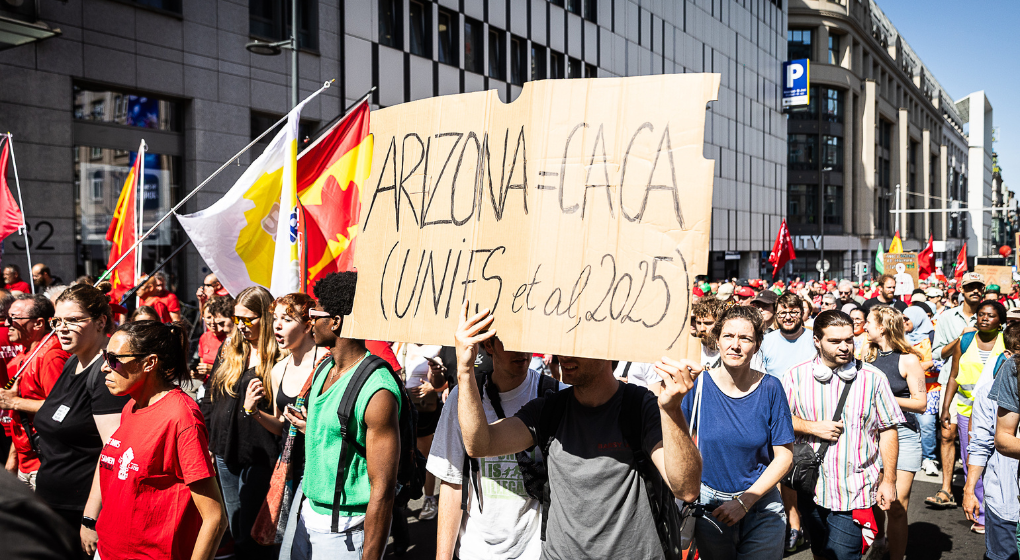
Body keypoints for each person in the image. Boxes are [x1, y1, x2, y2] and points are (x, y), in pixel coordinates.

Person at [455, 301, 702, 559]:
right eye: (562, 342)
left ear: (609, 348)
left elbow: (686, 489)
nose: (565, 354)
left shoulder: (640, 407)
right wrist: (464, 370)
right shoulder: (549, 409)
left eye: (577, 343)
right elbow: (480, 445)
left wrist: (672, 411)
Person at [279, 271, 404, 560]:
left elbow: (383, 489)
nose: (308, 321)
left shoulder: (377, 390)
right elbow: (340, 435)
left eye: (314, 314)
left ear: (335, 321)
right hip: (308, 519)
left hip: (346, 535)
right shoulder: (324, 369)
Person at [87, 321, 227, 559]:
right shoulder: (131, 405)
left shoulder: (181, 417)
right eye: (104, 356)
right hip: (107, 550)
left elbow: (215, 518)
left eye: (114, 360)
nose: (104, 368)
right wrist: (89, 520)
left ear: (149, 362)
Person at [428, 331, 564, 560]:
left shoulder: (556, 396)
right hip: (474, 550)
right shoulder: (463, 398)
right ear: (489, 345)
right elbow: (451, 483)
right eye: (512, 341)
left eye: (527, 339)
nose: (522, 350)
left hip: (535, 551)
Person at [782, 310, 903, 560]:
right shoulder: (795, 375)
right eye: (835, 341)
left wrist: (889, 480)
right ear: (817, 341)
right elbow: (779, 421)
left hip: (855, 489)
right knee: (820, 551)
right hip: (810, 485)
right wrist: (811, 427)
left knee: (841, 555)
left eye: (849, 340)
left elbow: (888, 429)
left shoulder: (873, 378)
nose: (845, 347)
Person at [682, 305, 794, 559]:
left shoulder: (771, 388)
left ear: (756, 345)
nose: (736, 345)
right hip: (710, 509)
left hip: (762, 506)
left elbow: (785, 456)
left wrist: (745, 502)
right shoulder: (697, 386)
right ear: (717, 340)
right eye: (729, 336)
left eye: (745, 338)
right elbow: (676, 442)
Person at [31, 284, 129, 556]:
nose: (61, 328)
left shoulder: (106, 373)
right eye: (57, 321)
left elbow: (112, 452)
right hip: (54, 502)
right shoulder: (71, 362)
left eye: (73, 320)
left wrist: (90, 518)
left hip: (81, 510)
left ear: (100, 322)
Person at [203, 286, 281, 559]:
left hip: (260, 456)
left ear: (267, 317)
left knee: (255, 533)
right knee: (236, 529)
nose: (241, 325)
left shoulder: (280, 355)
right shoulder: (229, 347)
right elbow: (211, 396)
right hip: (225, 451)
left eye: (249, 319)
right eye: (237, 318)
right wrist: (209, 441)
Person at [861, 306, 927, 560]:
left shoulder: (908, 359)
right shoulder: (867, 356)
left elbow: (920, 403)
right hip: (873, 435)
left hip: (904, 433)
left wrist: (885, 397)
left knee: (898, 505)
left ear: (883, 327)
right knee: (876, 498)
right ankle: (879, 540)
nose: (864, 326)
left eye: (868, 322)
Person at [935, 299, 1006, 531]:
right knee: (972, 459)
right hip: (968, 410)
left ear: (1001, 321)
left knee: (999, 459)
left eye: (991, 315)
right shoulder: (965, 341)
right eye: (981, 315)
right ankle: (980, 512)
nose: (984, 318)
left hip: (1001, 411)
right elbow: (953, 375)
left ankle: (1000, 509)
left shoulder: (1008, 343)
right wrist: (946, 408)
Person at [927, 272, 985, 508]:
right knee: (947, 433)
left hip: (983, 384)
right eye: (970, 287)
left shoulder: (991, 313)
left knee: (981, 437)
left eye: (978, 287)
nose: (975, 291)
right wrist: (961, 339)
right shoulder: (947, 318)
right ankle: (947, 488)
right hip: (953, 383)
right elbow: (937, 353)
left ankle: (980, 492)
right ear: (961, 290)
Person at [0, 294, 70, 488]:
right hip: (26, 462)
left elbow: (62, 409)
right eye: (6, 317)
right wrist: (14, 459)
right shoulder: (25, 355)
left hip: (45, 463)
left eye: (13, 318)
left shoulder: (51, 356)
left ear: (38, 324)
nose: (7, 323)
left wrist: (13, 402)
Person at [966, 322, 1020, 560]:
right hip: (1004, 496)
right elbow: (981, 442)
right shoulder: (988, 393)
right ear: (1008, 355)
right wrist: (970, 489)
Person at [243, 293, 321, 438]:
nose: (277, 325)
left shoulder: (327, 365)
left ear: (307, 327)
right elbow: (281, 425)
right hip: (290, 458)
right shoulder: (279, 370)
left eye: (286, 319)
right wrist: (253, 411)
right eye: (275, 318)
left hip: (317, 458)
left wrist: (309, 430)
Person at [394, 342, 447, 521]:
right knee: (401, 454)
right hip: (404, 407)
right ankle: (403, 496)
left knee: (426, 456)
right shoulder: (401, 345)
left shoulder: (437, 346)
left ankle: (429, 498)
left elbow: (446, 378)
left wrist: (433, 387)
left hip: (426, 410)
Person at [903, 305, 940, 477]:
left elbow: (940, 362)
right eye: (902, 318)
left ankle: (929, 458)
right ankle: (915, 456)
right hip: (907, 389)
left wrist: (921, 365)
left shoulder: (933, 337)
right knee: (910, 424)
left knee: (927, 425)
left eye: (907, 319)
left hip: (929, 389)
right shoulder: (901, 338)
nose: (904, 322)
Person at [194, 296, 234, 384]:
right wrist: (200, 374)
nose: (213, 321)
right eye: (208, 317)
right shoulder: (204, 337)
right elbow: (203, 369)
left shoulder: (230, 337)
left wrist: (213, 369)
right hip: (208, 385)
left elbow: (235, 370)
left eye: (215, 317)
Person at [693, 296, 724, 369]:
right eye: (698, 323)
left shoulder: (729, 351)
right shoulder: (692, 348)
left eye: (708, 323)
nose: (702, 328)